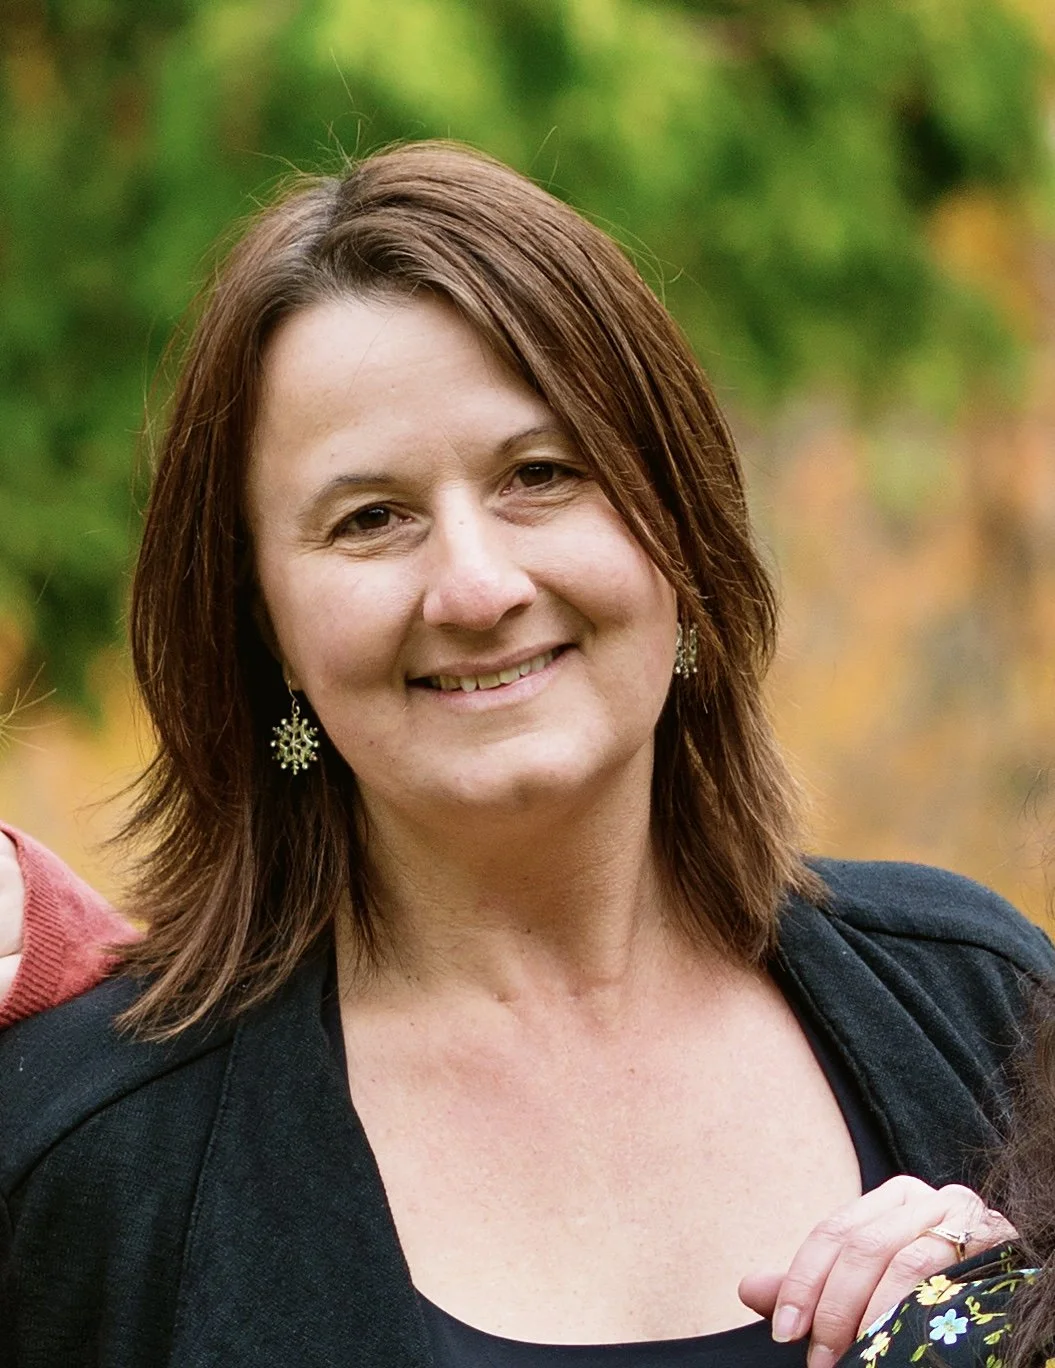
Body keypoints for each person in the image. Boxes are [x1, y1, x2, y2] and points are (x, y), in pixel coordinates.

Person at [0, 141, 1052, 1368]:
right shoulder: (86, 1155)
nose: (475, 584)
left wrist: (1012, 1326)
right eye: (370, 518)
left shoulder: (982, 1007)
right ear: (265, 626)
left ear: (677, 531)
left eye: (541, 475)